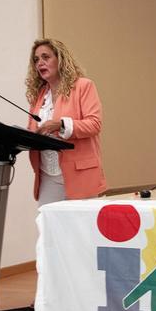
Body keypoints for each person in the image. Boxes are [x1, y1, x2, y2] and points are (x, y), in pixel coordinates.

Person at [25, 38, 106, 206]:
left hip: (80, 174)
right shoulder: (39, 96)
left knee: (82, 230)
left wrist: (60, 124)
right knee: (49, 228)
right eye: (36, 60)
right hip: (47, 175)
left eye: (46, 57)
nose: (40, 63)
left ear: (60, 59)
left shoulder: (84, 86)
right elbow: (32, 130)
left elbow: (94, 124)